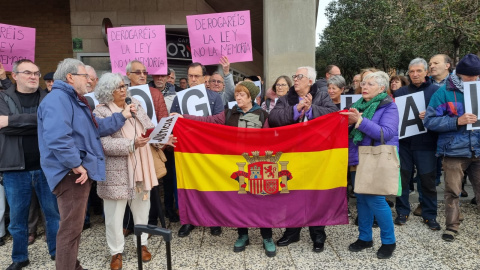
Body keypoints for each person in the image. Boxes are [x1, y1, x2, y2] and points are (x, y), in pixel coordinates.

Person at [37, 58, 136, 270]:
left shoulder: (73, 99)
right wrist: (75, 164)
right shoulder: (58, 100)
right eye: (85, 76)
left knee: (73, 227)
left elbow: (95, 127)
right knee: (70, 230)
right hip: (71, 175)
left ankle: (74, 265)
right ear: (70, 77)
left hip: (74, 173)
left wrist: (122, 116)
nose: (90, 81)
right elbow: (57, 138)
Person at [174, 81, 275, 257]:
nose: (238, 97)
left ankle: (267, 237)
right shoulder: (228, 113)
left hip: (257, 164)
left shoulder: (263, 115)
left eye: (242, 94)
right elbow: (208, 121)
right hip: (235, 164)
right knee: (239, 200)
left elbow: (269, 141)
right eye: (236, 94)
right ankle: (242, 235)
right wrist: (184, 118)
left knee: (262, 201)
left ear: (251, 97)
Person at [93, 72, 176, 270]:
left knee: (142, 208)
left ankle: (142, 244)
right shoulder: (100, 112)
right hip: (117, 171)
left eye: (124, 86)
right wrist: (131, 143)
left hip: (143, 164)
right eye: (118, 87)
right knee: (114, 215)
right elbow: (103, 144)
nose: (123, 90)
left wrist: (162, 139)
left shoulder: (135, 104)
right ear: (108, 92)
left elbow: (148, 130)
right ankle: (116, 252)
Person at [269, 66, 337, 252]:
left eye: (300, 76)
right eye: (294, 76)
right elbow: (274, 119)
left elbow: (333, 115)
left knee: (316, 194)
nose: (296, 79)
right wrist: (296, 109)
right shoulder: (285, 99)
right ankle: (293, 232)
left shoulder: (322, 96)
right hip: (293, 154)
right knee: (293, 193)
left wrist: (311, 109)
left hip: (317, 154)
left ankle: (318, 234)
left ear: (310, 81)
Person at [0, 59, 60, 270]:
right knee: (17, 219)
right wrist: (37, 121)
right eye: (28, 72)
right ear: (14, 75)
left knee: (53, 214)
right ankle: (19, 258)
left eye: (36, 72)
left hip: (47, 167)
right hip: (14, 168)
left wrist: (12, 121)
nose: (34, 76)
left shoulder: (49, 97)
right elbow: (3, 127)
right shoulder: (2, 97)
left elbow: (53, 123)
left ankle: (57, 253)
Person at [341, 71, 398, 259]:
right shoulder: (357, 105)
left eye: (370, 84)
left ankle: (389, 241)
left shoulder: (388, 106)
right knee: (362, 199)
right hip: (358, 157)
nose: (364, 87)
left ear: (382, 88)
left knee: (376, 200)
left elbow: (386, 133)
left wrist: (358, 121)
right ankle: (365, 238)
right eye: (363, 83)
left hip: (376, 158)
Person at [424, 53, 480, 242]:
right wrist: (457, 121)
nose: (473, 79)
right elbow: (430, 121)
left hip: (478, 148)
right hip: (454, 151)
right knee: (452, 191)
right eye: (470, 76)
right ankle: (452, 227)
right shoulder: (444, 92)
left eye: (476, 76)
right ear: (460, 73)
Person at [170, 62, 224, 237]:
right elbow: (172, 121)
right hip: (187, 151)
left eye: (197, 76)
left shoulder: (215, 97)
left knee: (211, 185)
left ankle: (214, 220)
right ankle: (188, 220)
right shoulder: (178, 98)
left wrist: (186, 118)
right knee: (187, 187)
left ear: (204, 78)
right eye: (190, 76)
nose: (193, 80)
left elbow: (218, 121)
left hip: (208, 150)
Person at [393, 58, 440, 230]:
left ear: (426, 72)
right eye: (412, 71)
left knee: (427, 180)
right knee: (403, 180)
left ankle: (430, 214)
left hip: (427, 144)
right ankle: (402, 212)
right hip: (404, 144)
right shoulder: (400, 92)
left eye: (419, 71)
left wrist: (430, 115)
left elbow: (442, 115)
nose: (415, 74)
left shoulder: (436, 92)